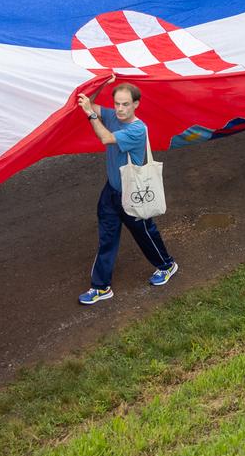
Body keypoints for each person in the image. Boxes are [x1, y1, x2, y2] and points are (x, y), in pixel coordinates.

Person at [76, 82, 178, 303]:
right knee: (107, 239)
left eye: (125, 104)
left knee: (145, 233)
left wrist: (92, 117)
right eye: (117, 104)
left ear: (136, 104)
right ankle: (101, 287)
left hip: (132, 193)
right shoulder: (113, 116)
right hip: (111, 191)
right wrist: (99, 82)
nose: (120, 109)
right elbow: (90, 104)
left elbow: (105, 138)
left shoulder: (137, 130)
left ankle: (167, 265)